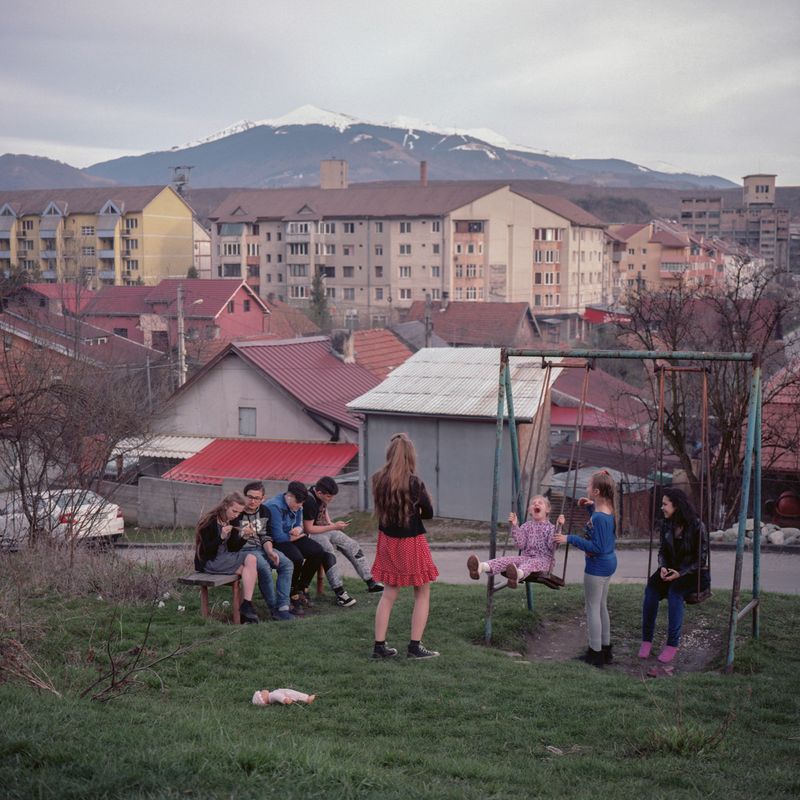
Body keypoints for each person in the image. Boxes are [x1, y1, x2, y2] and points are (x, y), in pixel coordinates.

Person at [370, 433, 440, 660]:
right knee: (422, 592)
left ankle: (379, 647)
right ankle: (414, 647)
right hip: (411, 541)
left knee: (389, 594)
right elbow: (428, 513)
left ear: (389, 454)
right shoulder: (414, 482)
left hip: (387, 540)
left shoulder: (377, 479)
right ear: (411, 456)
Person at [639, 487, 710, 665]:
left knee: (675, 593)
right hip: (670, 569)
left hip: (693, 572)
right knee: (651, 590)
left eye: (665, 504)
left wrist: (681, 572)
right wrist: (663, 567)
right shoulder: (666, 524)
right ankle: (646, 640)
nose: (662, 508)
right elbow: (663, 550)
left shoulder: (697, 526)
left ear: (676, 505)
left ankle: (672, 644)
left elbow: (701, 559)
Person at [554, 470, 617, 668]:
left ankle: (595, 654)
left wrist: (569, 538)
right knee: (601, 606)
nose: (587, 488)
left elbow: (596, 547)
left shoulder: (600, 517)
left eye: (589, 486)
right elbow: (600, 530)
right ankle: (605, 649)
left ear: (596, 491)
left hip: (597, 567)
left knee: (592, 608)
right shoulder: (608, 511)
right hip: (609, 563)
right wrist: (590, 507)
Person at [303, 476, 384, 603]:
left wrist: (331, 524)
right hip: (312, 534)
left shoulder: (319, 492)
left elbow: (324, 507)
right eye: (329, 496)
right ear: (319, 493)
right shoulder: (309, 501)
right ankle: (340, 592)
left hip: (325, 529)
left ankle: (371, 582)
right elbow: (308, 529)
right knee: (328, 550)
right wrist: (333, 526)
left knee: (352, 545)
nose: (331, 499)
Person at [466, 495, 564, 588]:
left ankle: (517, 575)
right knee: (508, 560)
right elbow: (521, 545)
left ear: (547, 510)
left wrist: (558, 527)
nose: (536, 504)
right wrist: (515, 526)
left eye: (540, 503)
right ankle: (481, 567)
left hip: (544, 561)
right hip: (526, 558)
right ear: (530, 510)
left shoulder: (551, 528)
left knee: (530, 563)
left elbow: (552, 546)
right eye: (533, 503)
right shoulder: (526, 526)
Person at [194, 491, 260, 624]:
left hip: (226, 557)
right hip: (210, 561)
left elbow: (234, 547)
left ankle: (246, 606)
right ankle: (246, 610)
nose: (236, 515)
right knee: (249, 569)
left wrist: (245, 536)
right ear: (225, 506)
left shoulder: (232, 520)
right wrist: (221, 537)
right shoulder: (209, 522)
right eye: (234, 511)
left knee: (250, 563)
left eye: (239, 513)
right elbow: (206, 550)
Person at [264, 481, 326, 616]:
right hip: (276, 541)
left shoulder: (299, 503)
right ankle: (291, 594)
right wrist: (298, 533)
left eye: (302, 503)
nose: (300, 506)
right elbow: (278, 537)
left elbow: (299, 523)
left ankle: (301, 588)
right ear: (289, 496)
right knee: (296, 558)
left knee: (317, 551)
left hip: (291, 536)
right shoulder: (274, 506)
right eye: (298, 503)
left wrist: (298, 528)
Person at [235, 482, 294, 620]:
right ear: (244, 496)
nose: (253, 501)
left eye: (257, 498)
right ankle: (274, 609)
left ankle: (283, 607)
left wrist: (270, 551)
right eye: (250, 497)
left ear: (263, 498)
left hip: (261, 548)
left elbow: (266, 535)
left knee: (287, 564)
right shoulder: (237, 511)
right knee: (264, 567)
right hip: (245, 552)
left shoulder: (264, 511)